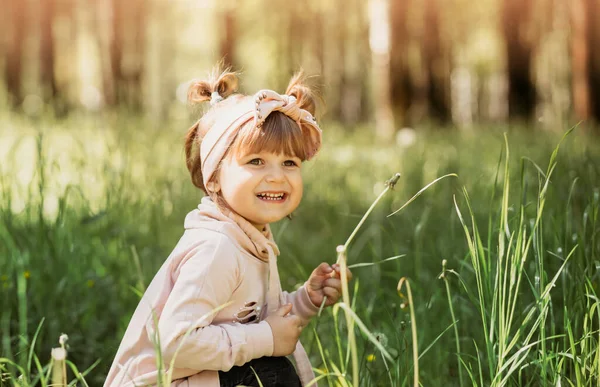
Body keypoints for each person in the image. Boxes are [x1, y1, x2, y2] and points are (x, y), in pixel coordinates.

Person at [104, 67, 352, 387]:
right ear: (216, 178)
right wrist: (265, 338)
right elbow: (174, 344)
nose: (277, 175)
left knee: (267, 365)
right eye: (256, 161)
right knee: (270, 373)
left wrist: (306, 300)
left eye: (289, 163)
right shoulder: (217, 248)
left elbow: (249, 318)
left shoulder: (248, 238)